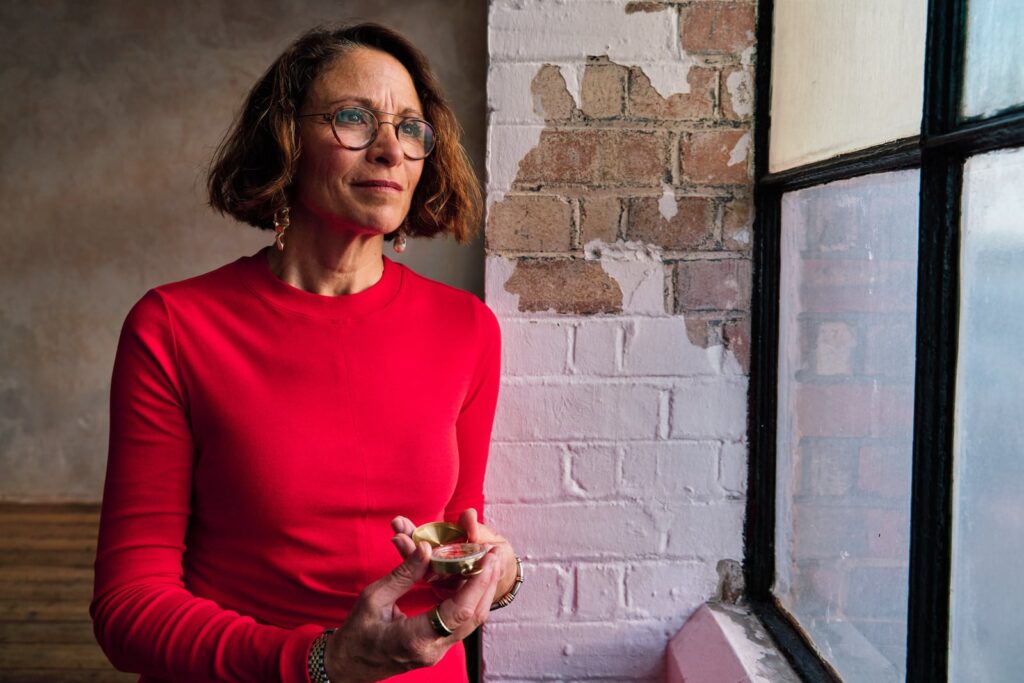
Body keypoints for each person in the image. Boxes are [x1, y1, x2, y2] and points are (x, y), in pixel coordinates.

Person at [91, 22, 521, 683]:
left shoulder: (468, 329)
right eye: (354, 118)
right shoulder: (173, 327)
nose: (389, 149)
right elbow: (129, 606)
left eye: (410, 128)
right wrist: (320, 662)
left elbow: (452, 546)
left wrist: (497, 572)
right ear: (286, 142)